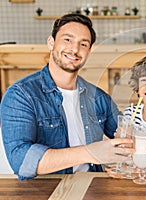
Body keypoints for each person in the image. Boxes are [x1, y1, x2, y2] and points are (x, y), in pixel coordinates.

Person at [0, 13, 132, 180]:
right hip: (45, 191)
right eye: (67, 40)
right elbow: (21, 161)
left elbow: (127, 136)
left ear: (89, 51)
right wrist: (90, 153)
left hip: (93, 187)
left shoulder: (98, 97)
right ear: (51, 42)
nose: (75, 49)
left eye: (83, 44)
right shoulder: (21, 95)